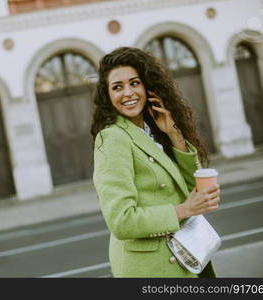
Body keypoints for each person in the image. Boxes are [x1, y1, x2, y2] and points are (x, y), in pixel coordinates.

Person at [91, 47, 220, 278]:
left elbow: (190, 187)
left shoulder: (152, 132)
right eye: (117, 87)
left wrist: (174, 134)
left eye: (134, 83)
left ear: (147, 87)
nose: (128, 93)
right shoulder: (112, 138)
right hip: (151, 269)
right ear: (108, 96)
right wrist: (184, 210)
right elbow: (121, 221)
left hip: (184, 256)